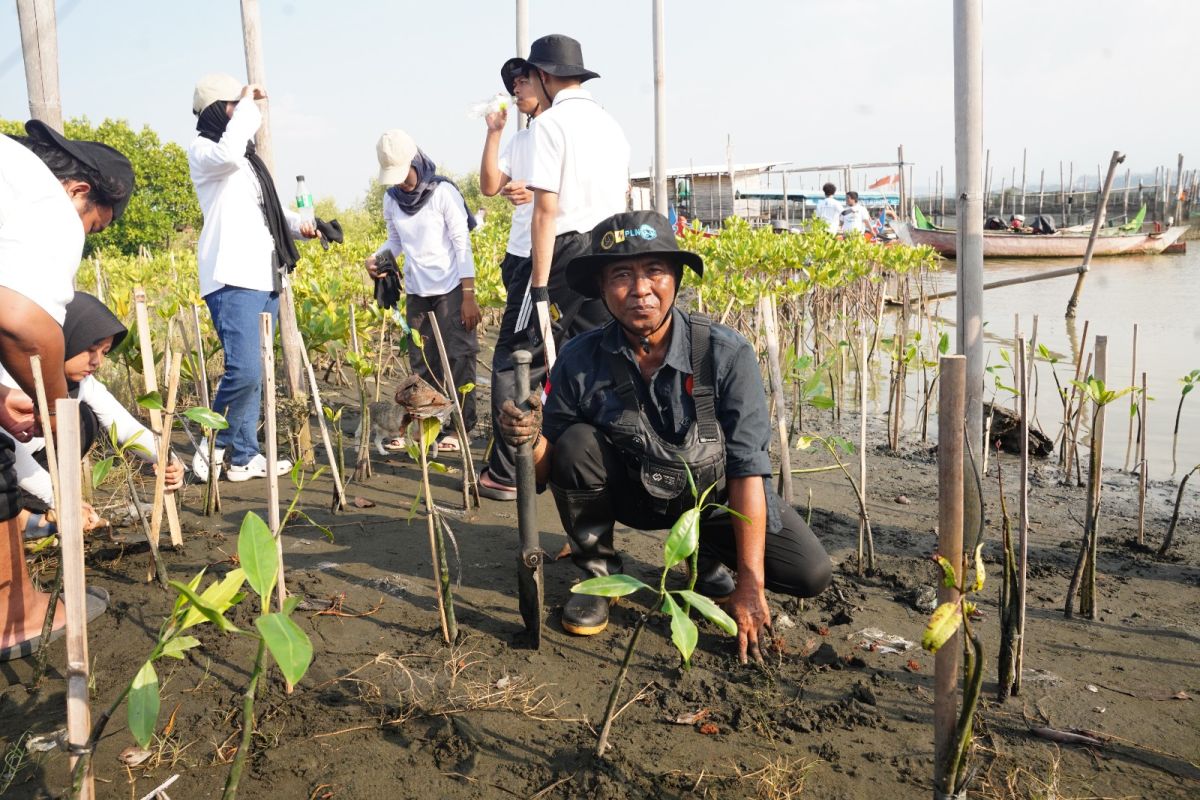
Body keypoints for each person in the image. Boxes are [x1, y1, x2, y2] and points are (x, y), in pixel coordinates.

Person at [499, 211, 832, 663]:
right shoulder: (578, 358)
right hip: (632, 493)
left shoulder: (726, 353)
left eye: (654, 272)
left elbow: (748, 469)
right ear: (601, 288)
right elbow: (548, 469)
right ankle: (598, 573)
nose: (640, 290)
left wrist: (750, 583)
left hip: (711, 503)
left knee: (810, 573)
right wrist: (528, 436)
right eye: (621, 275)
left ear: (675, 279)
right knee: (575, 442)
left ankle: (708, 561)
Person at [0, 119, 134, 659]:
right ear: (79, 192)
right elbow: (20, 322)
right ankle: (16, 617)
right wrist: (56, 413)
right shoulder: (42, 197)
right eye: (94, 228)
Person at [188, 73, 319, 483]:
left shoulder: (246, 161)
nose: (241, 111)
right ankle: (212, 441)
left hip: (264, 274)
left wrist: (305, 227)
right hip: (231, 275)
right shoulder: (205, 150)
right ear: (215, 110)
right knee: (242, 370)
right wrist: (248, 103)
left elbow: (266, 216)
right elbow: (227, 155)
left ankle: (244, 456)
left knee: (258, 372)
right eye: (232, 105)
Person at [5, 292, 184, 535]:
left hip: (30, 470)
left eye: (104, 352)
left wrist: (166, 457)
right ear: (66, 339)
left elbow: (125, 427)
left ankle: (35, 513)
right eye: (91, 349)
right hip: (8, 466)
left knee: (84, 419)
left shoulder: (82, 384)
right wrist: (60, 497)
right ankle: (23, 519)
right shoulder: (12, 379)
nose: (97, 361)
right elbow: (8, 451)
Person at [520, 34, 631, 378]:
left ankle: (527, 432)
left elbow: (545, 210)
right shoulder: (612, 124)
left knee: (527, 353)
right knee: (598, 346)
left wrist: (538, 285)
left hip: (567, 248)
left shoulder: (549, 124)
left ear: (543, 76)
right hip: (610, 247)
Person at [367, 130, 480, 447]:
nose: (400, 183)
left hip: (452, 288)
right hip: (418, 292)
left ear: (415, 162)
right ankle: (428, 428)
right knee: (422, 362)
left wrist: (468, 296)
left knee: (459, 358)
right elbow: (395, 242)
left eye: (403, 174)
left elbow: (462, 245)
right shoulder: (391, 199)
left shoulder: (443, 192)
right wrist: (379, 258)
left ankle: (460, 428)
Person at [477, 58, 544, 499]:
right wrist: (494, 131)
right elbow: (488, 185)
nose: (516, 88)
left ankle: (506, 472)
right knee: (541, 356)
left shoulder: (557, 130)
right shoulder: (522, 137)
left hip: (539, 256)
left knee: (513, 359)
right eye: (512, 83)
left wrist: (536, 192)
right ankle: (536, 457)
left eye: (524, 80)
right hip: (519, 256)